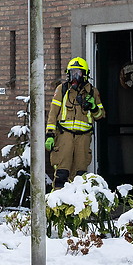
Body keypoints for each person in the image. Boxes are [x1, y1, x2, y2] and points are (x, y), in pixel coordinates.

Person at [44, 57, 104, 189]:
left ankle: (77, 205)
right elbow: (53, 114)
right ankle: (58, 205)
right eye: (72, 73)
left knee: (80, 175)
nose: (75, 77)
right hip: (64, 136)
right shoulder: (62, 89)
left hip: (83, 137)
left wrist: (93, 107)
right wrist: (49, 135)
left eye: (78, 73)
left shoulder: (93, 92)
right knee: (61, 173)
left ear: (85, 75)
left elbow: (100, 116)